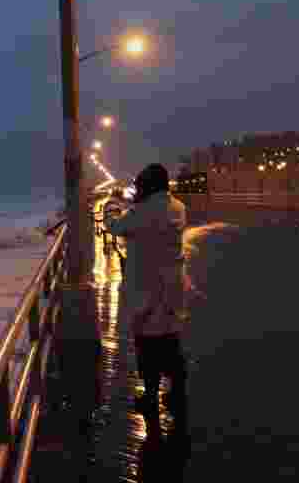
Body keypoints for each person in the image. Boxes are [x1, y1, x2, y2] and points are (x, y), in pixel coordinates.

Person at [105, 163, 189, 426]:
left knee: (147, 344)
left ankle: (150, 396)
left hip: (146, 288)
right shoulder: (178, 207)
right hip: (172, 285)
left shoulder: (141, 212)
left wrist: (111, 204)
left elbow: (114, 226)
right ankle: (177, 391)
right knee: (171, 339)